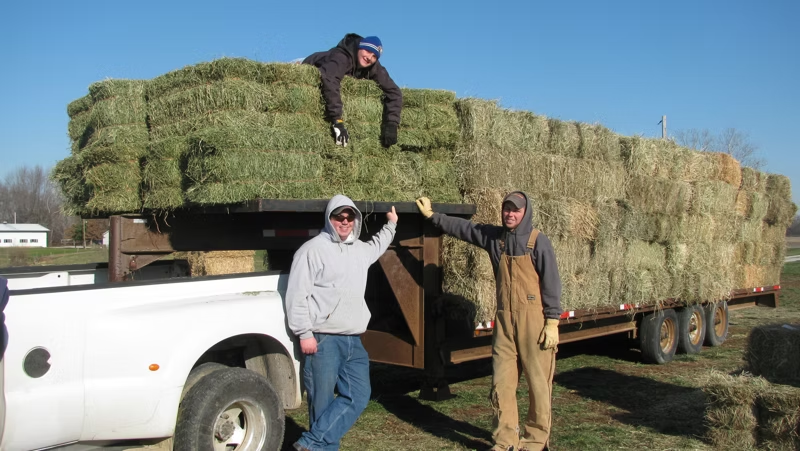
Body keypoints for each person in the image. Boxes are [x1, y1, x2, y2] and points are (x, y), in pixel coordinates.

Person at [416, 192, 562, 451]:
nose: (510, 214)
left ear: (525, 212)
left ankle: (535, 441)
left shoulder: (538, 241)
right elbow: (465, 229)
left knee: (538, 384)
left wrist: (552, 321)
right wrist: (433, 217)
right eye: (507, 209)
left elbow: (551, 282)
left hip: (534, 322)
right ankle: (505, 441)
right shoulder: (496, 239)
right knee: (501, 383)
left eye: (515, 210)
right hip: (504, 321)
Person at [285, 194, 398, 451]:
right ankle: (320, 447)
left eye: (349, 217)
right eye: (339, 216)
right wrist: (304, 333)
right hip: (323, 339)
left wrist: (391, 224)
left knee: (359, 394)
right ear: (329, 218)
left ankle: (310, 443)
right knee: (322, 403)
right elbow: (297, 294)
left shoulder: (360, 250)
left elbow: (378, 244)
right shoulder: (312, 250)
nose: (345, 221)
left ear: (356, 220)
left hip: (353, 341)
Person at [303, 33, 402, 148]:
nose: (369, 57)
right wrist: (337, 121)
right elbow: (330, 81)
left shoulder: (373, 67)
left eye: (374, 56)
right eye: (368, 51)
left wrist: (392, 124)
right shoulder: (341, 57)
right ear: (360, 47)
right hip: (308, 67)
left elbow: (395, 92)